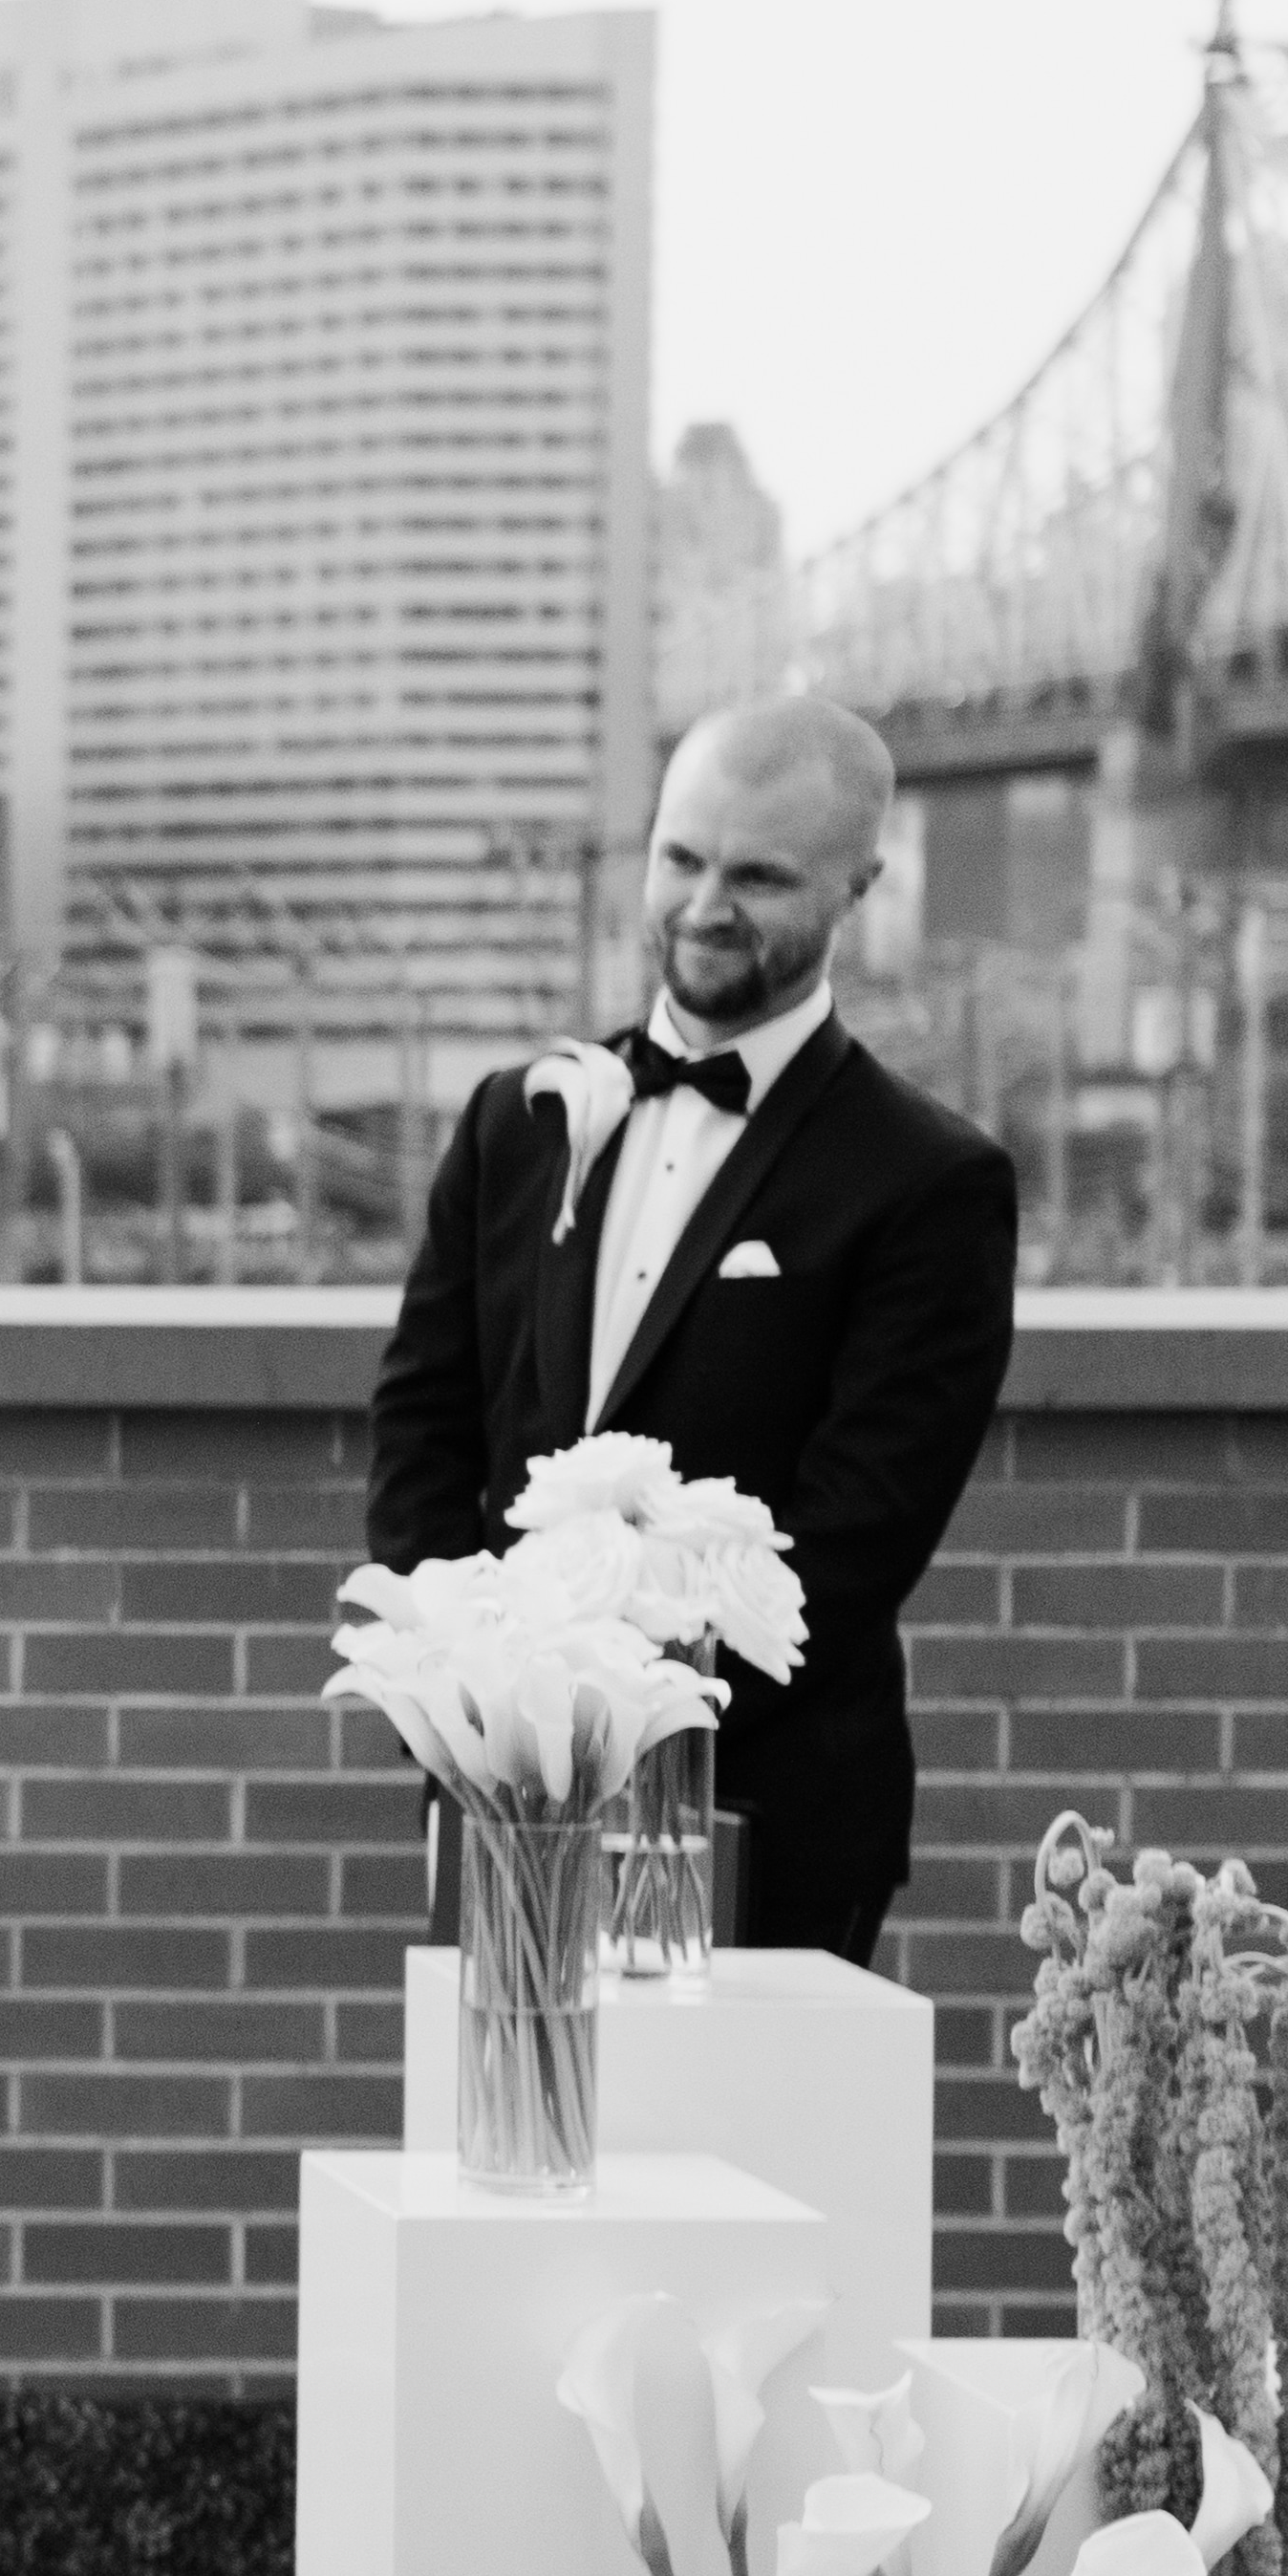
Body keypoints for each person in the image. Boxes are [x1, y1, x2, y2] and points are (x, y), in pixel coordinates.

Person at [372, 693, 1017, 1960]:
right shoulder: (517, 1121)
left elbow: (856, 1537)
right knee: (503, 2100)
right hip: (500, 1796)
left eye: (759, 876)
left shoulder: (930, 1182)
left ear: (858, 885)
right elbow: (422, 1429)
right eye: (681, 858)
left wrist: (620, 1734)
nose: (705, 904)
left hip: (769, 1822)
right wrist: (472, 1710)